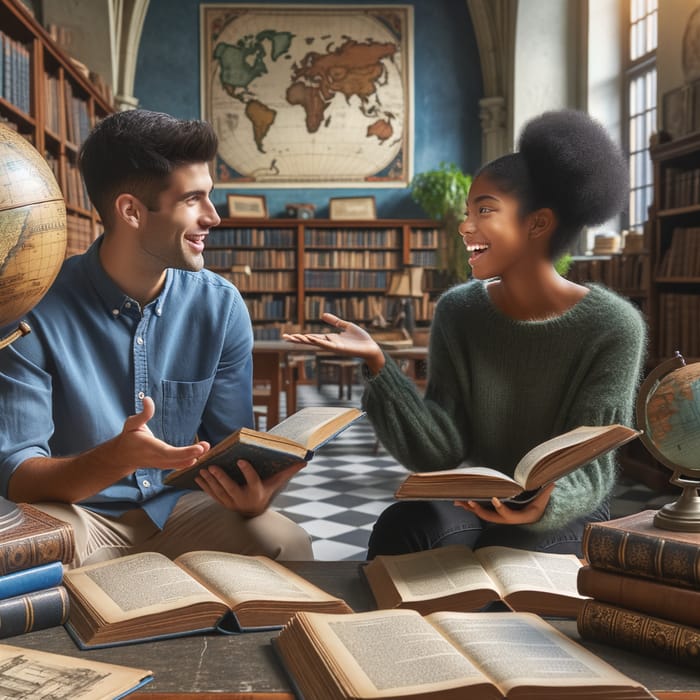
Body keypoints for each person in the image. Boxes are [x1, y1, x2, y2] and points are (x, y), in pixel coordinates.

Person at [284, 109, 647, 559]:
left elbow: (592, 463)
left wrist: (544, 502)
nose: (464, 225)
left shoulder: (613, 325)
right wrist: (379, 365)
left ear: (537, 223)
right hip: (478, 494)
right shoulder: (459, 310)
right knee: (404, 529)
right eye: (467, 211)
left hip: (566, 506)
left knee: (506, 548)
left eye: (485, 210)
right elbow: (439, 450)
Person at [0, 109, 312, 566]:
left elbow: (231, 448)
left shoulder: (221, 307)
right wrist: (115, 459)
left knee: (286, 543)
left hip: (182, 508)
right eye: (193, 199)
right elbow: (18, 476)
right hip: (78, 515)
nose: (214, 217)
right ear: (131, 210)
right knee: (22, 559)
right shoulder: (30, 309)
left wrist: (255, 492)